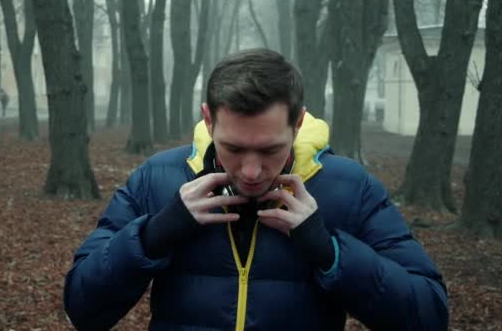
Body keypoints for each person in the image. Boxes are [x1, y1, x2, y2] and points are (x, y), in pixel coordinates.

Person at [64, 49, 448, 330]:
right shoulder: (157, 178)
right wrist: (155, 234)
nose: (250, 172)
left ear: (297, 125)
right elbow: (82, 307)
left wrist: (330, 251)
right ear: (209, 120)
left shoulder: (350, 186)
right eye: (233, 148)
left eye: (269, 150)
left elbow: (429, 315)